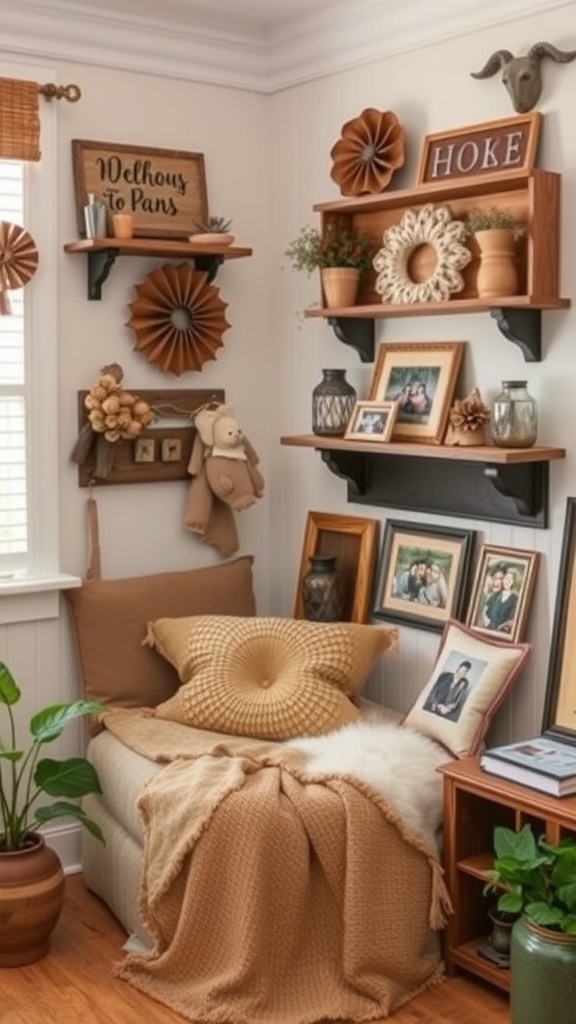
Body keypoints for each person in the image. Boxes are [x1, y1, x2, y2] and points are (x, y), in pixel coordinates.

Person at [483, 565, 519, 633]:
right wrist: (487, 623)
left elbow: (512, 619)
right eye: (505, 578)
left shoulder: (515, 599)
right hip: (489, 629)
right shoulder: (494, 596)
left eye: (510, 579)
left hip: (503, 632)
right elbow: (486, 611)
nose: (507, 581)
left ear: (513, 582)